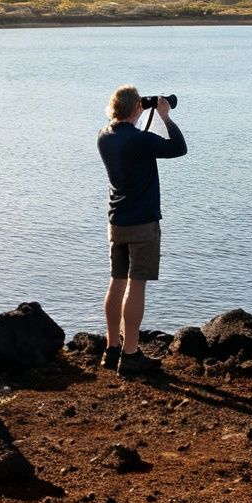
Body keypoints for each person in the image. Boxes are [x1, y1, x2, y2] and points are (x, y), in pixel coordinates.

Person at [96, 84, 187, 374]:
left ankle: (111, 349)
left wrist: (141, 110)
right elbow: (179, 147)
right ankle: (131, 353)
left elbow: (128, 131)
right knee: (137, 284)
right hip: (142, 223)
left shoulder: (104, 136)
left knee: (116, 280)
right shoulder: (141, 140)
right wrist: (164, 115)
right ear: (137, 108)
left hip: (117, 220)